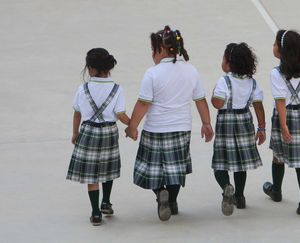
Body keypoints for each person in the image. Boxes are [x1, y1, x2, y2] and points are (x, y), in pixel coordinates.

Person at [125, 25, 214, 221]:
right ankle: (172, 201)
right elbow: (200, 100)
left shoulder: (152, 73)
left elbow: (143, 104)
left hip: (155, 129)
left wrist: (132, 126)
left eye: (153, 50)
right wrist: (206, 123)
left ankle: (160, 194)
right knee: (175, 170)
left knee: (153, 170)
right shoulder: (191, 70)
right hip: (181, 129)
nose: (152, 54)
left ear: (161, 50)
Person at [263, 30, 300, 216]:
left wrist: (283, 125)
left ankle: (277, 190)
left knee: (278, 155)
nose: (272, 46)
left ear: (282, 51)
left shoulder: (276, 73)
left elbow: (280, 100)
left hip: (285, 116)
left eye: (275, 44)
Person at [67, 48, 130, 226]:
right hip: (109, 131)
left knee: (91, 174)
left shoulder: (83, 88)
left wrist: (75, 132)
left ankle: (95, 212)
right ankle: (106, 202)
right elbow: (120, 114)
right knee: (107, 168)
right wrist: (132, 125)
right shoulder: (117, 88)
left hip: (88, 131)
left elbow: (77, 114)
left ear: (91, 68)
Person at [211, 43, 265, 216]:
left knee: (220, 163)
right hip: (244, 122)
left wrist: (214, 97)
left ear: (229, 63)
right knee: (241, 164)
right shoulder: (252, 83)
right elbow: (258, 107)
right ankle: (240, 196)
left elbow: (218, 103)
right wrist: (261, 127)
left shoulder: (224, 80)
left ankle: (227, 187)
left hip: (227, 122)